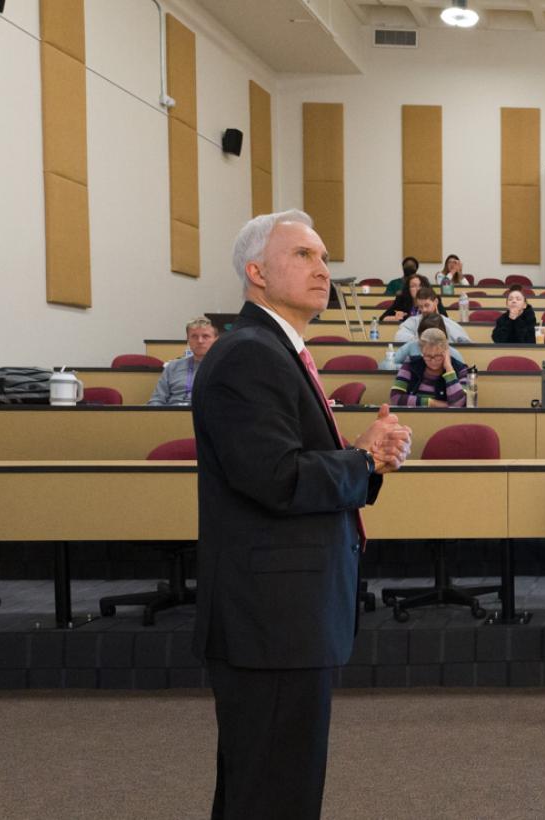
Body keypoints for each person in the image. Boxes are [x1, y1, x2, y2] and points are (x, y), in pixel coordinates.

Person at [193, 210, 411, 819]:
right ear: (256, 272)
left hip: (283, 614)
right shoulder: (248, 356)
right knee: (273, 789)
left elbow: (291, 465)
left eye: (323, 256)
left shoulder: (273, 351)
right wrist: (361, 456)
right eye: (303, 256)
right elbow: (276, 477)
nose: (323, 269)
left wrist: (366, 464)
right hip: (271, 617)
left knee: (264, 784)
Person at [389, 329, 471, 407]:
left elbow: (459, 404)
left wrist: (449, 369)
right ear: (421, 351)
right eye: (428, 356)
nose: (433, 361)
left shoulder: (461, 370)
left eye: (438, 355)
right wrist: (433, 403)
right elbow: (395, 398)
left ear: (446, 351)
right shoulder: (411, 364)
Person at [148, 317, 217, 406]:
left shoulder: (223, 368)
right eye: (194, 336)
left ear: (215, 340)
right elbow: (157, 400)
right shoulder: (172, 367)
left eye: (205, 336)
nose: (200, 341)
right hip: (172, 414)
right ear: (188, 340)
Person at [392, 285, 473, 344]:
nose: (424, 310)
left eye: (427, 305)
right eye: (420, 306)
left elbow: (466, 343)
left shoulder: (448, 323)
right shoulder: (412, 321)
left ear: (436, 302)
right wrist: (422, 341)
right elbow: (398, 337)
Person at [392, 314, 467, 368]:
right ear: (419, 334)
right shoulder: (411, 346)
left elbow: (464, 373)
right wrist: (409, 367)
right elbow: (387, 365)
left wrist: (449, 368)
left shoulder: (452, 352)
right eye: (426, 337)